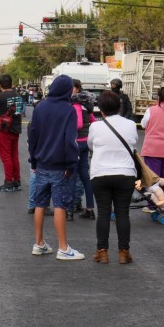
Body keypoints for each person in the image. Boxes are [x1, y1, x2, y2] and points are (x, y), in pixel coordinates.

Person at [27, 74, 84, 261]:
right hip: (60, 165)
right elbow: (70, 140)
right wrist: (71, 164)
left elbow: (32, 136)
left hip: (41, 163)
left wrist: (33, 161)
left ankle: (39, 243)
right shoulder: (68, 110)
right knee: (60, 204)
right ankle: (63, 248)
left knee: (40, 203)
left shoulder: (40, 107)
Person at [88, 90, 138, 264]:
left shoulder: (95, 127)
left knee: (103, 212)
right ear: (119, 107)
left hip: (100, 173)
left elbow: (91, 145)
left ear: (101, 110)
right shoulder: (131, 124)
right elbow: (133, 143)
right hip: (125, 173)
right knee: (123, 213)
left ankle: (102, 252)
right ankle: (124, 252)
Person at [140, 86, 164, 215]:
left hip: (152, 148)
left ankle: (153, 205)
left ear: (159, 97)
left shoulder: (151, 110)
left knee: (152, 178)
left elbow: (143, 124)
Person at [0, 74, 24, 192]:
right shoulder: (17, 96)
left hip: (4, 130)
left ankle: (8, 182)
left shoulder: (0, 96)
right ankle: (16, 181)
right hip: (15, 129)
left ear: (0, 85)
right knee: (14, 155)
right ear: (11, 83)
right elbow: (20, 113)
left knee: (6, 156)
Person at [69, 79, 96, 221]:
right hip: (86, 143)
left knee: (72, 176)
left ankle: (69, 210)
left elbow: (78, 125)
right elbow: (94, 122)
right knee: (85, 176)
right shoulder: (87, 106)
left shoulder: (76, 105)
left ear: (78, 89)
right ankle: (90, 208)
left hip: (76, 143)